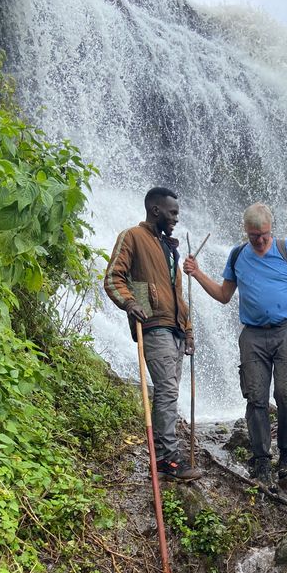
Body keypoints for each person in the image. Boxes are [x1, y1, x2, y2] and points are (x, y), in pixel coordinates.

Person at [183, 202, 287, 488]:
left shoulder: (286, 250)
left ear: (271, 229)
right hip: (253, 335)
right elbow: (223, 295)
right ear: (246, 231)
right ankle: (261, 460)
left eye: (264, 234)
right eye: (255, 235)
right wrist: (197, 272)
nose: (261, 240)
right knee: (255, 397)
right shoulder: (238, 255)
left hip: (286, 330)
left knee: (285, 394)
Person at [104, 187, 201, 481]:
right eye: (173, 213)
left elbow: (178, 294)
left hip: (175, 330)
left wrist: (188, 330)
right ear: (155, 210)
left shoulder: (169, 247)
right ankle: (166, 459)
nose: (176, 219)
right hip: (153, 326)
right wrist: (131, 303)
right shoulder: (133, 236)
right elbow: (113, 277)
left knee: (169, 393)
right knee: (168, 390)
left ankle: (166, 455)